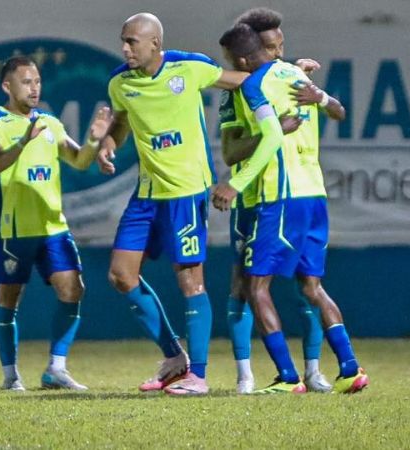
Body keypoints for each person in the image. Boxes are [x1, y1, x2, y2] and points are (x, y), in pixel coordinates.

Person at [96, 12, 248, 396]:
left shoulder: (190, 68)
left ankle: (198, 375)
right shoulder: (120, 83)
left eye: (132, 41)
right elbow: (122, 119)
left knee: (190, 282)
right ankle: (174, 357)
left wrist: (286, 75)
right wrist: (110, 143)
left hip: (185, 193)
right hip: (146, 194)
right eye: (123, 40)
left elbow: (244, 81)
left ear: (155, 44)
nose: (125, 48)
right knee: (120, 275)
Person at [214, 23, 368, 394]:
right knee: (312, 287)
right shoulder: (298, 76)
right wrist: (323, 100)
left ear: (241, 58)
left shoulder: (253, 86)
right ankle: (350, 368)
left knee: (255, 286)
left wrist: (235, 184)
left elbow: (267, 139)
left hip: (277, 197)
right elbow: (339, 111)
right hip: (314, 195)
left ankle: (287, 376)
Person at [0, 56, 111, 392]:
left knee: (73, 289)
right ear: (7, 86)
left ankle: (56, 368)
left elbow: (79, 161)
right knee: (9, 300)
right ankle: (11, 375)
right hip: (14, 231)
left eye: (37, 81)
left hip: (54, 228)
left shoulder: (51, 123)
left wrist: (94, 141)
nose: (34, 87)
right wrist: (23, 141)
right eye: (26, 81)